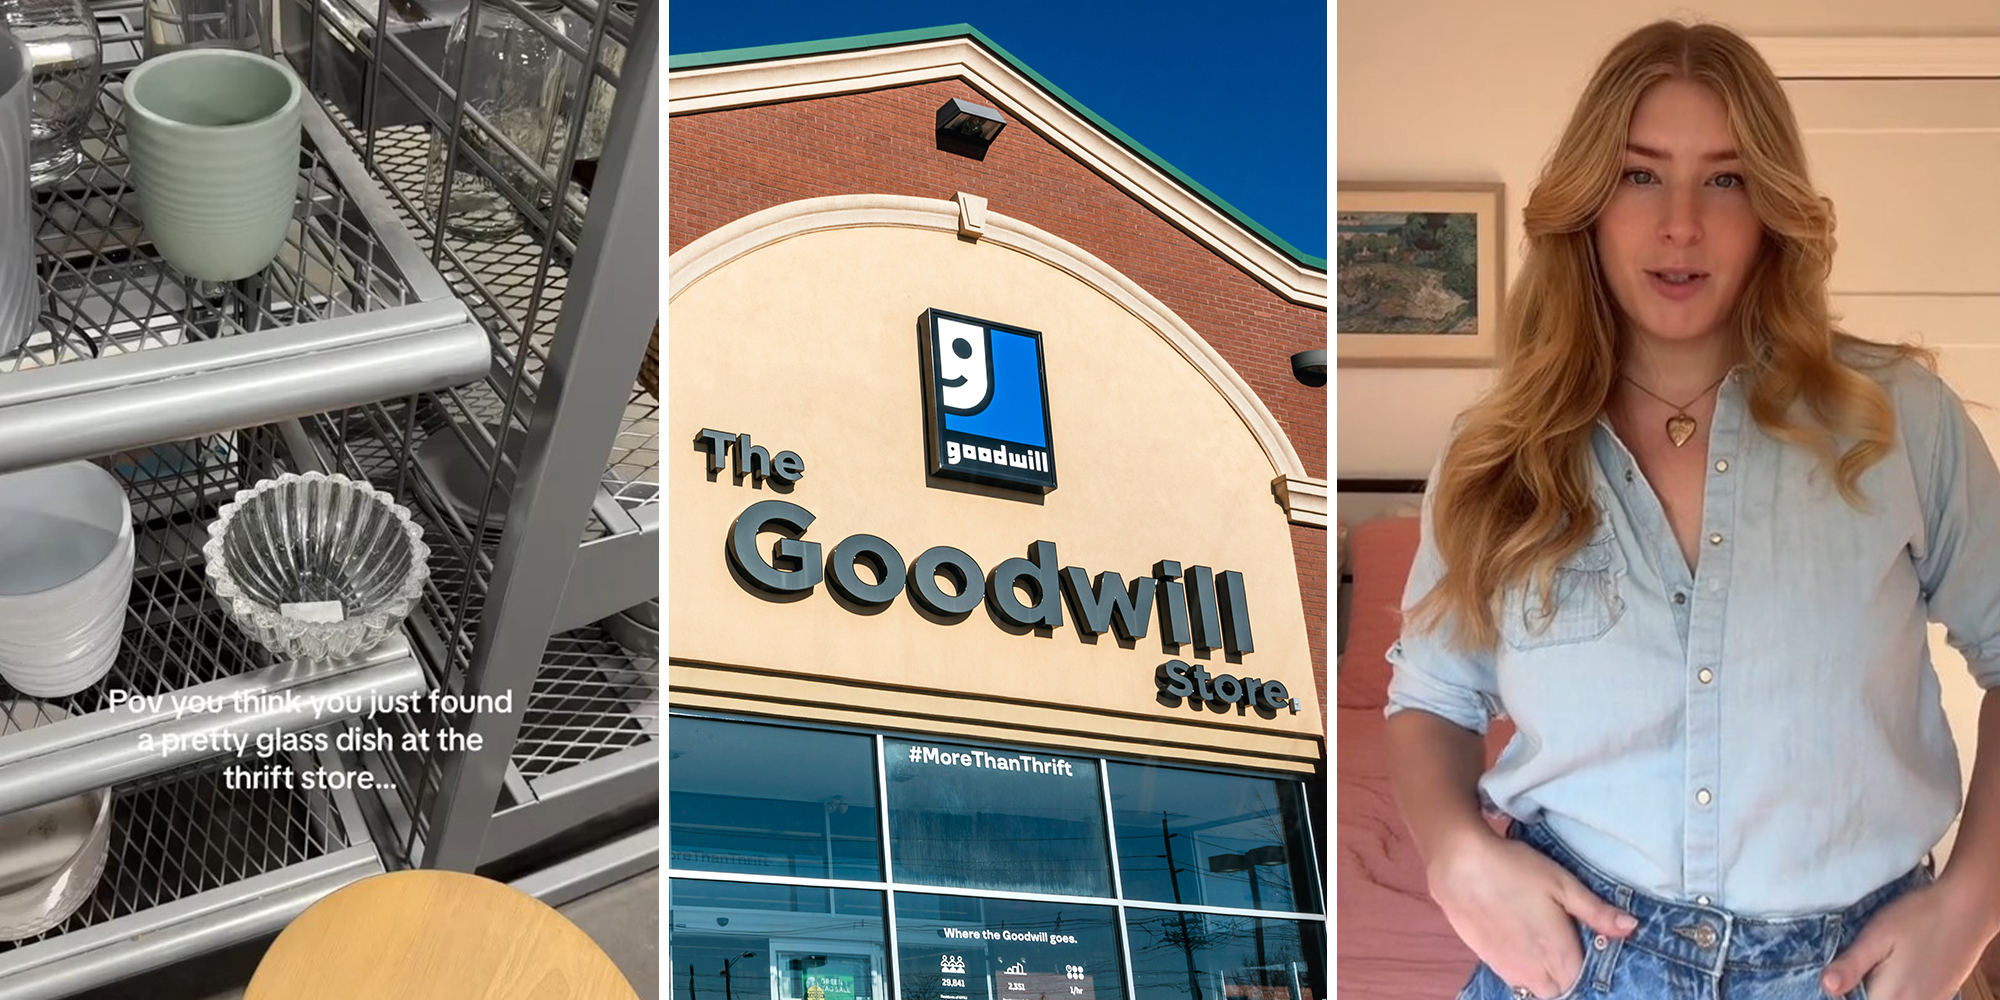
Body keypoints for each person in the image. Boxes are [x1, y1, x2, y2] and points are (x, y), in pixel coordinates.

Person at [1382, 18, 2000, 1000]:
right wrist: (1453, 853)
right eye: (1637, 175)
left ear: (1771, 209)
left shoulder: (1897, 423)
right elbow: (1430, 698)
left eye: (1724, 178)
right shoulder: (1494, 456)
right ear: (1586, 203)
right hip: (1575, 965)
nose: (1680, 223)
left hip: (1858, 971)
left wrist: (1971, 905)